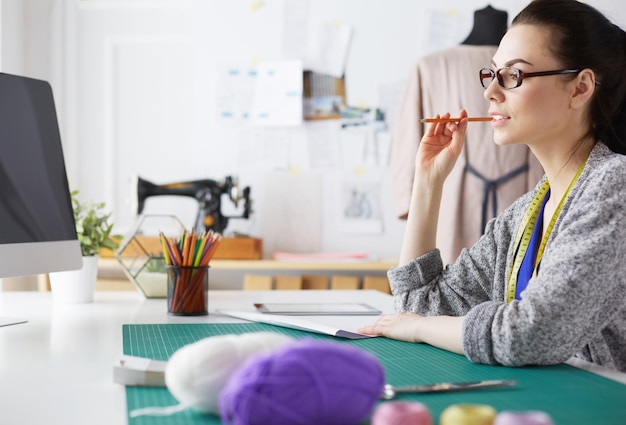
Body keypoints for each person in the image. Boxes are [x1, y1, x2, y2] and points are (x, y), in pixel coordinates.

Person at [360, 0, 626, 373]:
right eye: (492, 75)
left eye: (513, 76)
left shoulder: (614, 188)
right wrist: (428, 183)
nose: (490, 93)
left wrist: (421, 328)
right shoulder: (524, 214)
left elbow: (532, 334)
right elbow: (416, 307)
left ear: (580, 88)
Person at [391, 5, 543, 265]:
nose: (491, 92)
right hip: (474, 194)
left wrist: (411, 195)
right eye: (491, 75)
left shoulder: (431, 66)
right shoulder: (429, 67)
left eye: (508, 74)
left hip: (520, 200)